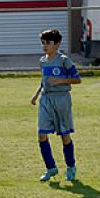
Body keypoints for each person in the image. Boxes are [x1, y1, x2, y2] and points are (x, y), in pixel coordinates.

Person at [31, 29, 81, 181]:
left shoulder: (64, 60)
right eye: (43, 43)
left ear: (57, 44)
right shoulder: (42, 61)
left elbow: (77, 79)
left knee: (64, 135)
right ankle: (50, 168)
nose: (45, 46)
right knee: (41, 134)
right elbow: (44, 80)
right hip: (46, 99)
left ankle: (71, 166)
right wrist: (36, 94)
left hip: (61, 100)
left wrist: (60, 81)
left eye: (48, 43)